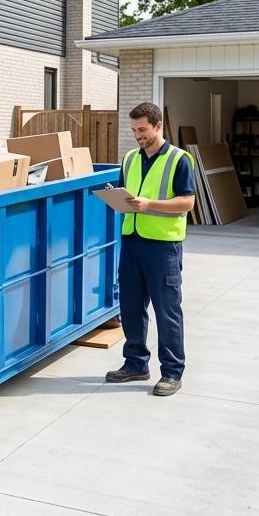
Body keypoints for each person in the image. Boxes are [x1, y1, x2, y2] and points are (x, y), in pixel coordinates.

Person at [105, 102, 196, 397]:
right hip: (131, 241)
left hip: (163, 247)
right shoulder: (130, 158)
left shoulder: (178, 159)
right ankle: (135, 364)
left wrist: (149, 204)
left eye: (142, 129)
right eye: (133, 130)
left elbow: (187, 202)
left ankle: (171, 372)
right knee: (130, 308)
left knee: (166, 311)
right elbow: (126, 193)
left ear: (158, 126)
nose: (137, 136)